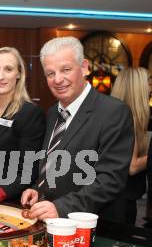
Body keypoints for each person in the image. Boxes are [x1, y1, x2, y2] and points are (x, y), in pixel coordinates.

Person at [21, 36, 134, 221]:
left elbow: (110, 180)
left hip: (95, 229)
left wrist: (61, 207)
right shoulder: (51, 114)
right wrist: (37, 189)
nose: (58, 79)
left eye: (66, 69)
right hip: (53, 225)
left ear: (84, 67)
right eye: (50, 73)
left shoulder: (114, 112)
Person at [0, 47, 45, 207]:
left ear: (19, 74)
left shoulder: (29, 113)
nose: (1, 76)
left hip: (8, 202)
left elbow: (29, 171)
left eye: (8, 69)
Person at [109, 67, 150, 224]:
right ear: (137, 89)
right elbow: (132, 167)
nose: (150, 88)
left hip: (114, 197)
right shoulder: (128, 119)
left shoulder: (113, 116)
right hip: (121, 201)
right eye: (148, 83)